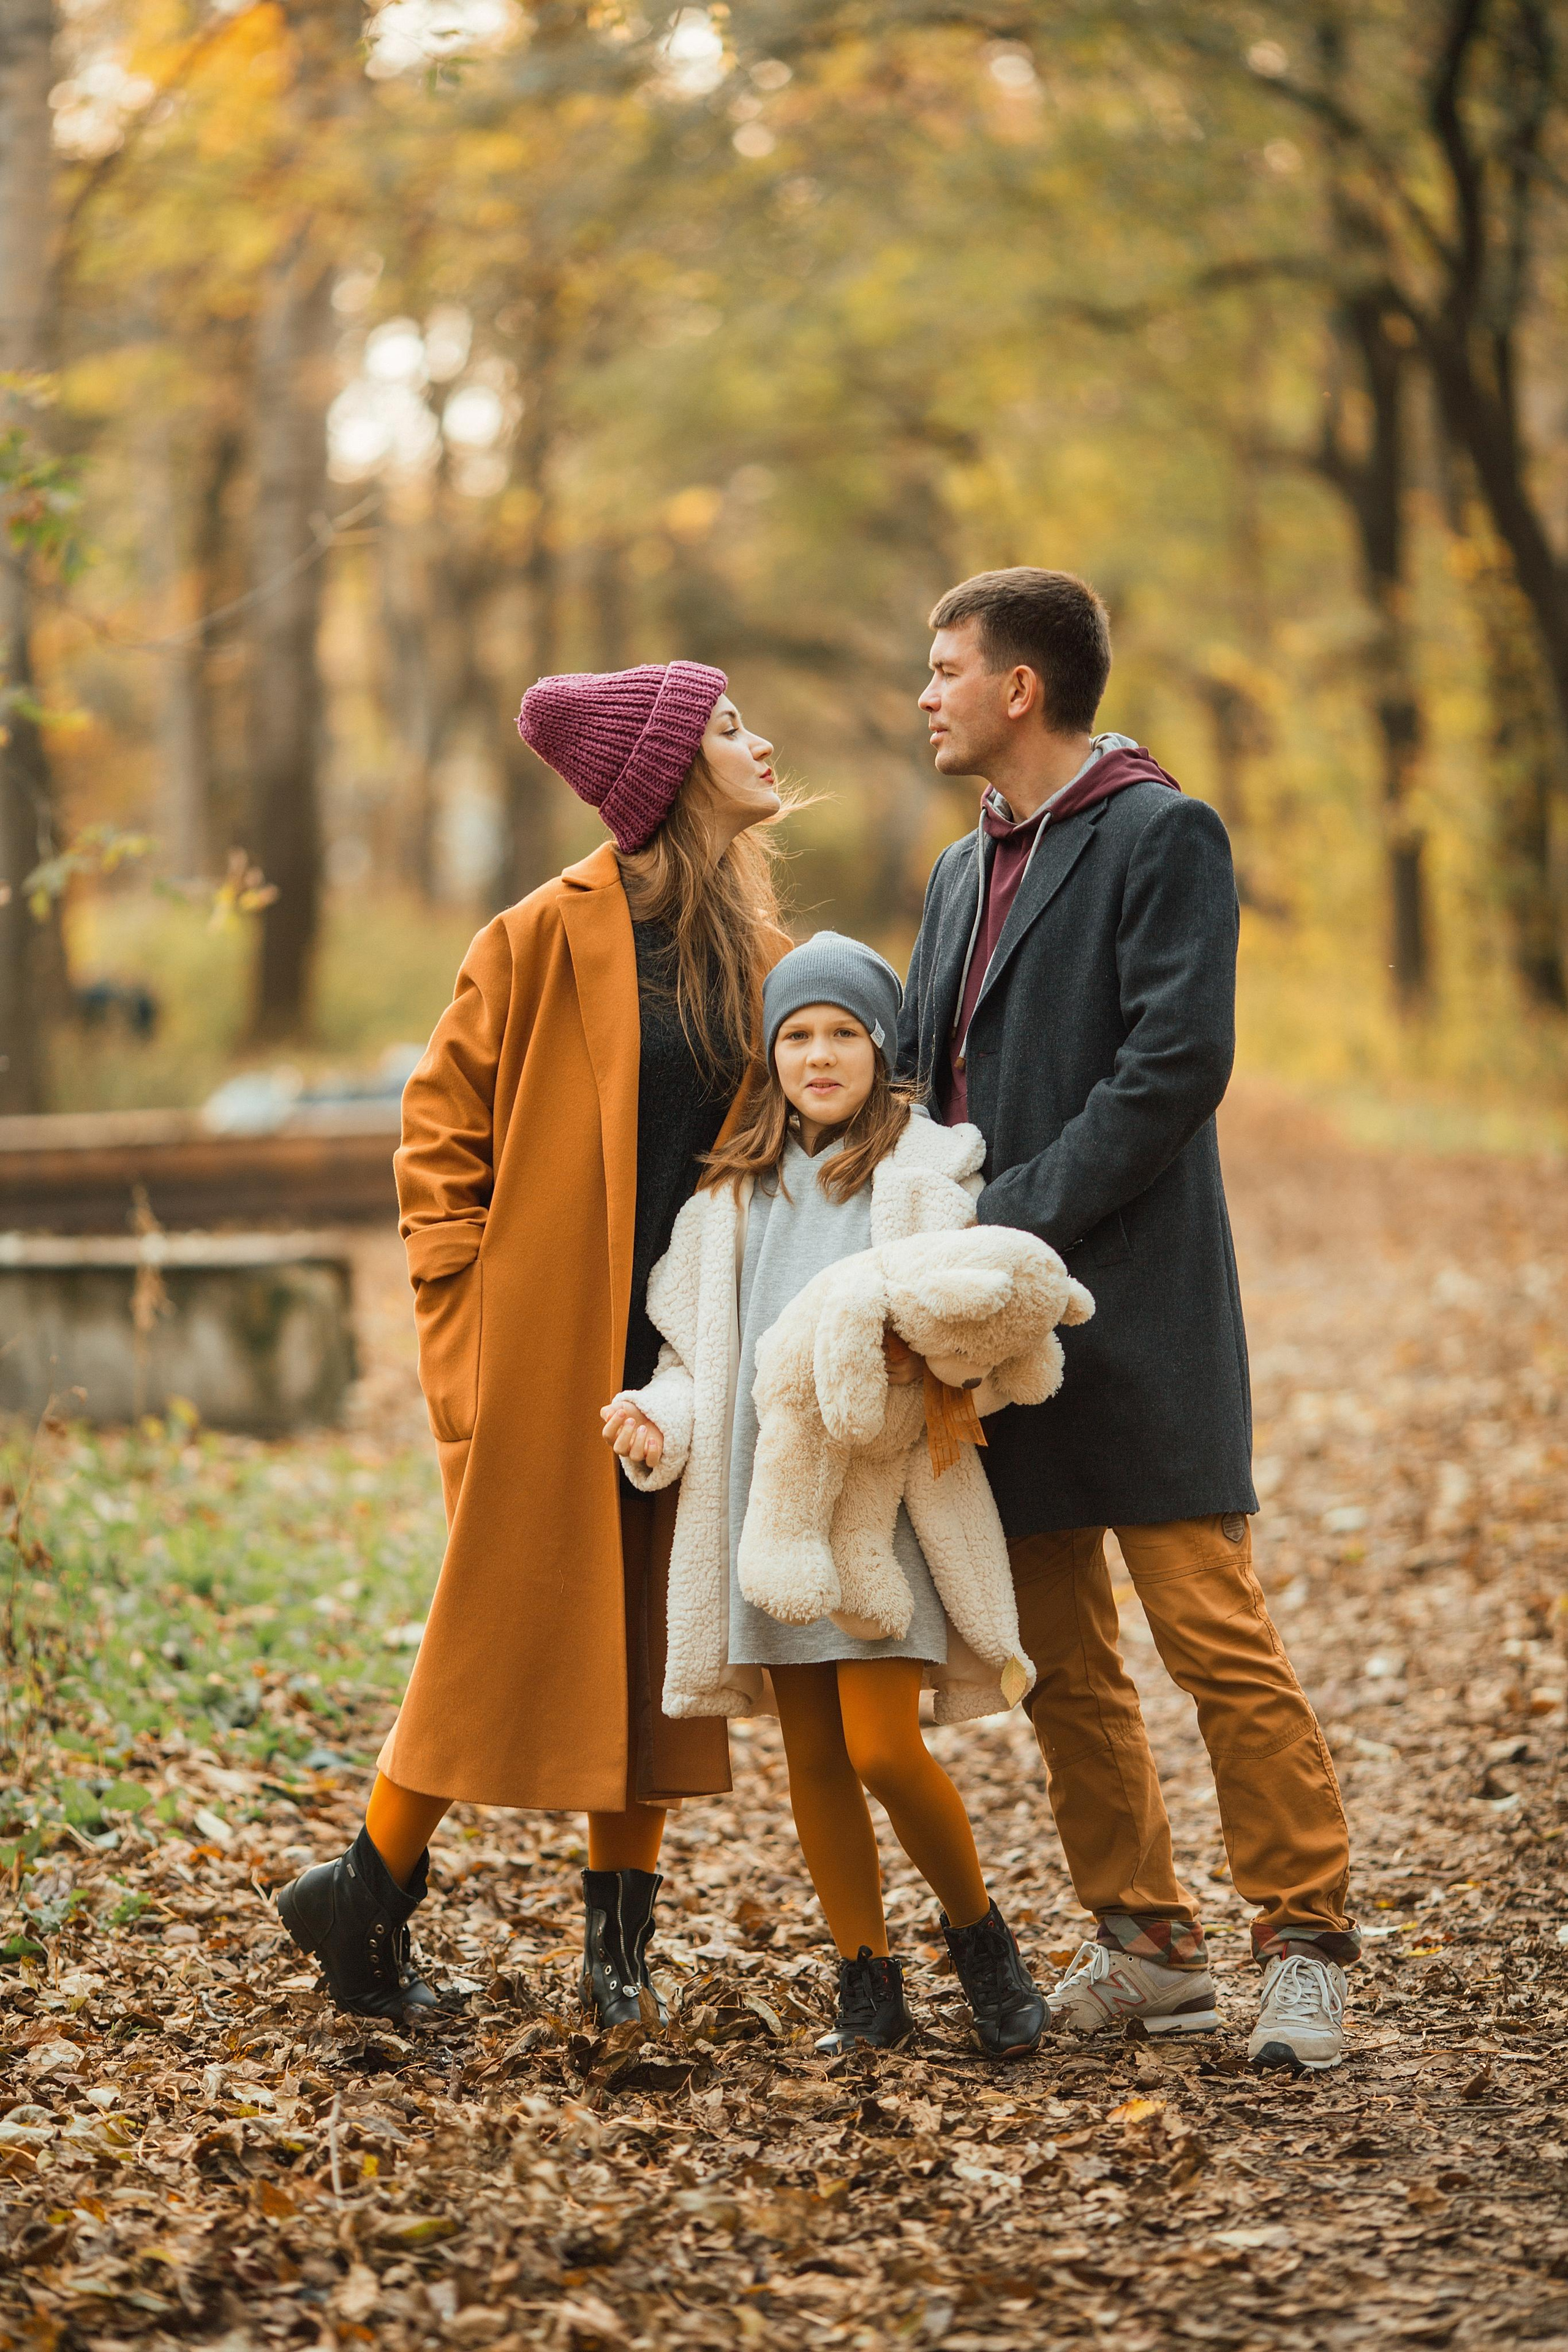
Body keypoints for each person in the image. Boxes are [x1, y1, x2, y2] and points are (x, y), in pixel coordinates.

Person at [276, 660, 788, 2029]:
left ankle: (616, 1960)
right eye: (729, 727)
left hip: (683, 1348)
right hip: (543, 1344)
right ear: (669, 771)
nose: (760, 744)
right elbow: (435, 1137)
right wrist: (469, 1313)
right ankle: (363, 1892)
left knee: (651, 1641)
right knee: (489, 1627)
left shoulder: (760, 951)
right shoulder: (535, 935)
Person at [900, 568, 1357, 2072]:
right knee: (1058, 1656)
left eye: (945, 667)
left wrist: (1008, 1221)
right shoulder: (956, 871)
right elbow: (917, 1083)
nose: (926, 694)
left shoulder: (1161, 833)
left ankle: (1303, 1945)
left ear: (1018, 687)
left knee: (1211, 1636)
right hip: (993, 1337)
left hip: (1138, 1311)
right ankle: (1146, 1949)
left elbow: (1172, 1065)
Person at [601, 933, 1047, 2059]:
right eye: (797, 1035)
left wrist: (927, 1357)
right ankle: (866, 1980)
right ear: (772, 1055)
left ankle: (981, 1942)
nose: (819, 1055)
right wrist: (658, 1419)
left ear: (881, 1048)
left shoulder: (928, 1178)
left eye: (843, 1033)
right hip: (766, 1514)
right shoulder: (726, 1201)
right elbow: (694, 1361)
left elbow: (989, 1321)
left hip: (881, 1507)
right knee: (812, 1758)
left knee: (883, 1748)